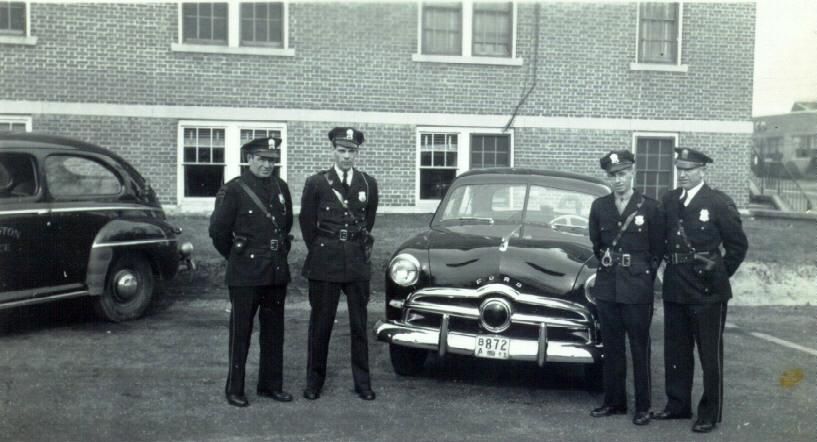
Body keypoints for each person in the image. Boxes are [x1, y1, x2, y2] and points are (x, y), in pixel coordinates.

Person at [652, 147, 748, 433]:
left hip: (707, 291)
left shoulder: (717, 202)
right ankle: (678, 405)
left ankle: (709, 412)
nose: (683, 175)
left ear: (702, 171)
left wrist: (718, 274)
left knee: (709, 355)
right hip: (676, 285)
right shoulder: (669, 200)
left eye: (689, 170)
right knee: (676, 351)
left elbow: (737, 246)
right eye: (680, 169)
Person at [209, 137, 294, 407]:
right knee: (241, 332)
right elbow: (218, 231)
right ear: (249, 159)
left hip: (275, 270)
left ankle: (270, 385)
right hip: (245, 273)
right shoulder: (234, 189)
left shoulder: (281, 187)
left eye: (272, 160)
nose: (267, 165)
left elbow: (285, 225)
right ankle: (235, 388)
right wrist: (237, 258)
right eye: (262, 159)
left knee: (274, 331)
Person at [299, 127, 379, 401]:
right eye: (342, 150)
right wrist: (324, 248)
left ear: (357, 153)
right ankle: (314, 382)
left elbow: (368, 221)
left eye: (351, 151)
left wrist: (352, 244)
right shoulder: (317, 182)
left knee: (359, 325)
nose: (346, 156)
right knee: (321, 324)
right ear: (333, 151)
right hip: (326, 260)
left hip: (356, 261)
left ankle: (363, 383)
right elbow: (307, 224)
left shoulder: (368, 183)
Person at [588, 150, 665, 426]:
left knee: (639, 347)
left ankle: (643, 406)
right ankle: (614, 401)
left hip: (637, 286)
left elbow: (657, 249)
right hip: (608, 286)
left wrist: (642, 275)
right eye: (612, 175)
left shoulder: (650, 207)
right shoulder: (600, 206)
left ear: (632, 173)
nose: (618, 180)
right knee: (612, 346)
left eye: (622, 174)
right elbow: (597, 244)